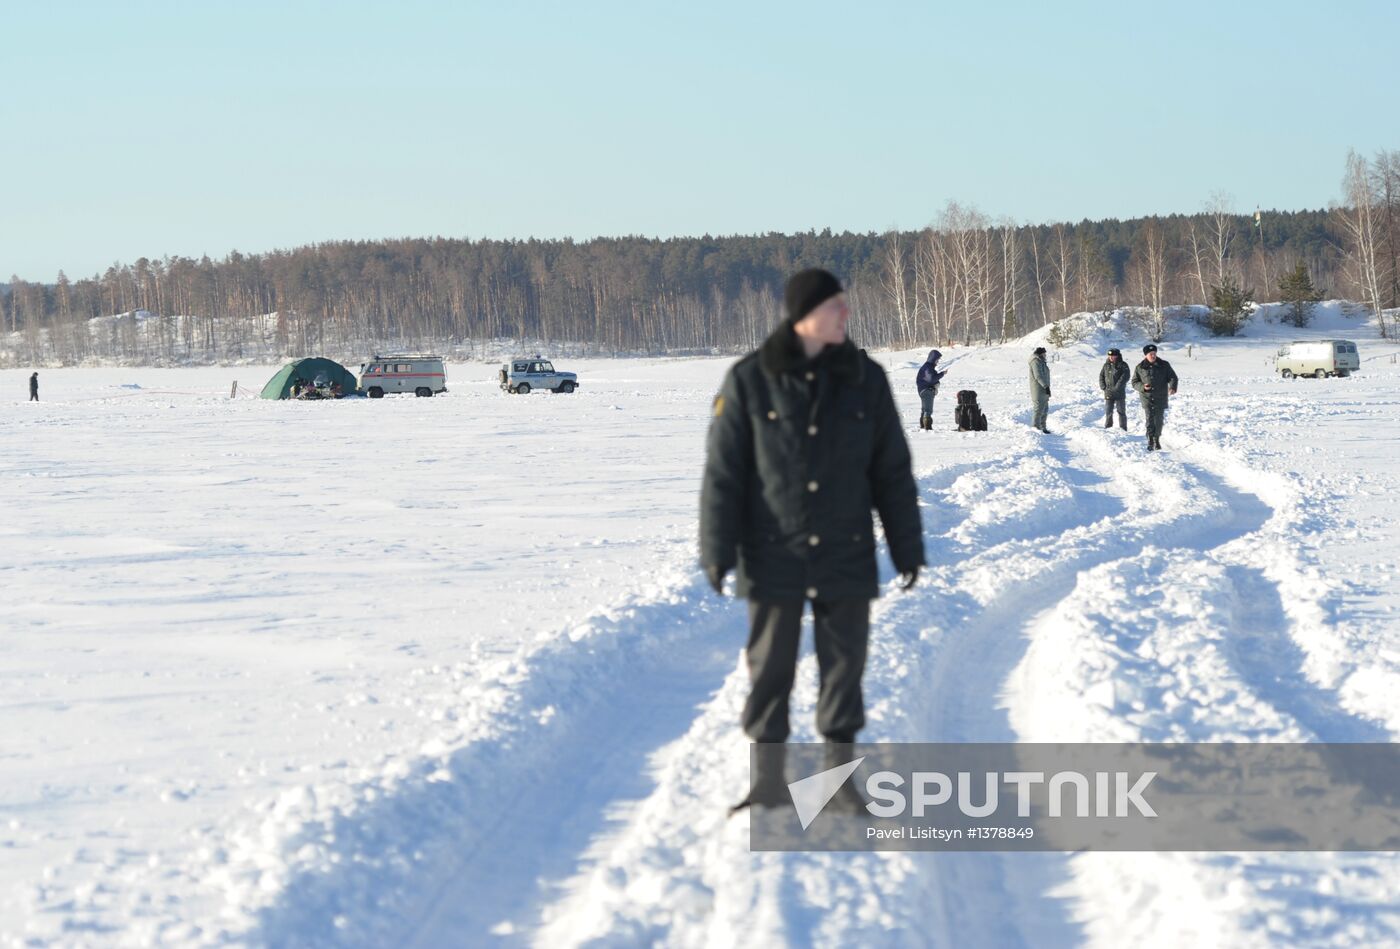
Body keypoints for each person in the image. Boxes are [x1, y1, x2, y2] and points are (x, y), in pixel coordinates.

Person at [701, 268, 925, 813]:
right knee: (770, 666)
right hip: (772, 549)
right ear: (806, 314)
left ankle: (838, 781)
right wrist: (718, 548)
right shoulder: (749, 379)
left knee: (844, 668)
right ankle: (769, 781)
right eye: (836, 307)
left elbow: (891, 470)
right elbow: (724, 474)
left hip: (845, 547)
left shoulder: (865, 378)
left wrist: (906, 546)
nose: (846, 315)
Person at [1132, 343, 1179, 451]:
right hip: (1146, 397)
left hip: (1160, 397)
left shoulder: (1164, 365)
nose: (1153, 356)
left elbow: (1172, 377)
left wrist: (1172, 387)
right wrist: (1142, 387)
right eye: (1150, 354)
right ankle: (1150, 440)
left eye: (1154, 353)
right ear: (1146, 355)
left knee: (1158, 420)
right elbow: (1134, 382)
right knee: (1150, 419)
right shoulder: (1140, 367)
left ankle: (1156, 438)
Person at [1099, 348, 1129, 430]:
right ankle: (1108, 427)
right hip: (1108, 392)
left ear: (1117, 356)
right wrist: (1103, 386)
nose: (1111, 357)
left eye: (1113, 356)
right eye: (1110, 356)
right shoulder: (1106, 365)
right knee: (1108, 411)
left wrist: (1117, 387)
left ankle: (1123, 428)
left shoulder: (1123, 365)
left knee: (1121, 412)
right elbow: (1101, 376)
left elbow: (1125, 377)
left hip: (1119, 393)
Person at [915, 349, 945, 431]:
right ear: (933, 359)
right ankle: (927, 427)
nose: (938, 361)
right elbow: (931, 379)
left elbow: (932, 378)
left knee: (924, 409)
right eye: (937, 359)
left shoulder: (928, 367)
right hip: (926, 391)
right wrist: (942, 374)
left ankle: (922, 425)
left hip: (923, 390)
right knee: (928, 410)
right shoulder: (927, 367)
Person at [1028, 346, 1051, 433]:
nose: (1045, 355)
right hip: (1038, 389)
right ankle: (1036, 428)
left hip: (1044, 389)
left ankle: (1043, 427)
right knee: (1038, 409)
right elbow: (1038, 376)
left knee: (1045, 408)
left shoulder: (1042, 362)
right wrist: (1046, 386)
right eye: (1044, 354)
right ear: (1041, 354)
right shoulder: (1035, 362)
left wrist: (1047, 387)